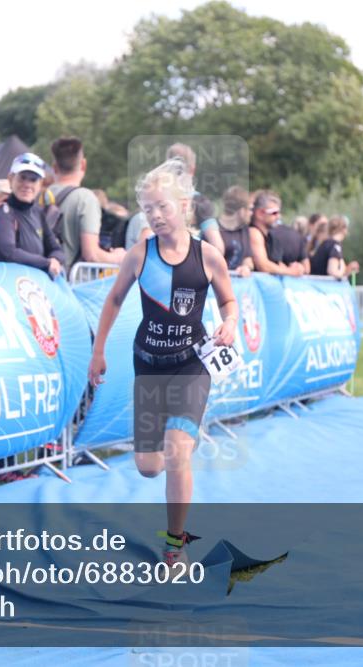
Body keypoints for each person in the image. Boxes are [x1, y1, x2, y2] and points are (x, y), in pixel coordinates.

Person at [87, 158, 238, 565]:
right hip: (148, 366)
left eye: (163, 206)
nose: (155, 215)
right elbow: (114, 300)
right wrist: (98, 352)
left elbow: (228, 299)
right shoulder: (139, 254)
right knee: (148, 467)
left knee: (176, 453)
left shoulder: (208, 256)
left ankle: (176, 546)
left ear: (184, 205)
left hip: (191, 366)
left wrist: (231, 323)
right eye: (148, 209)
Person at [0, 152, 64, 278]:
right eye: (22, 178)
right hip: (7, 286)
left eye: (33, 179)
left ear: (40, 184)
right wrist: (46, 263)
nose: (27, 184)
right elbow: (8, 253)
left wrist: (55, 259)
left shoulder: (38, 212)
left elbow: (56, 249)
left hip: (32, 286)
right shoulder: (4, 212)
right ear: (10, 179)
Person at [48, 137, 124, 268]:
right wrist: (118, 257)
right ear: (83, 165)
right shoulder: (85, 199)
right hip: (68, 282)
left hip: (38, 278)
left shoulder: (39, 195)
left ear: (54, 167)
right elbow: (91, 254)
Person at [248, 190, 305, 276]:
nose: (278, 216)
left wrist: (294, 268)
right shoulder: (254, 233)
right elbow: (263, 265)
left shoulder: (270, 236)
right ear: (259, 213)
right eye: (274, 213)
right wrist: (291, 272)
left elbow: (276, 264)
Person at [217, 186, 254, 276]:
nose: (251, 213)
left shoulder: (243, 229)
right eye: (250, 209)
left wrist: (246, 267)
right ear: (241, 211)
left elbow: (248, 259)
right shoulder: (213, 229)